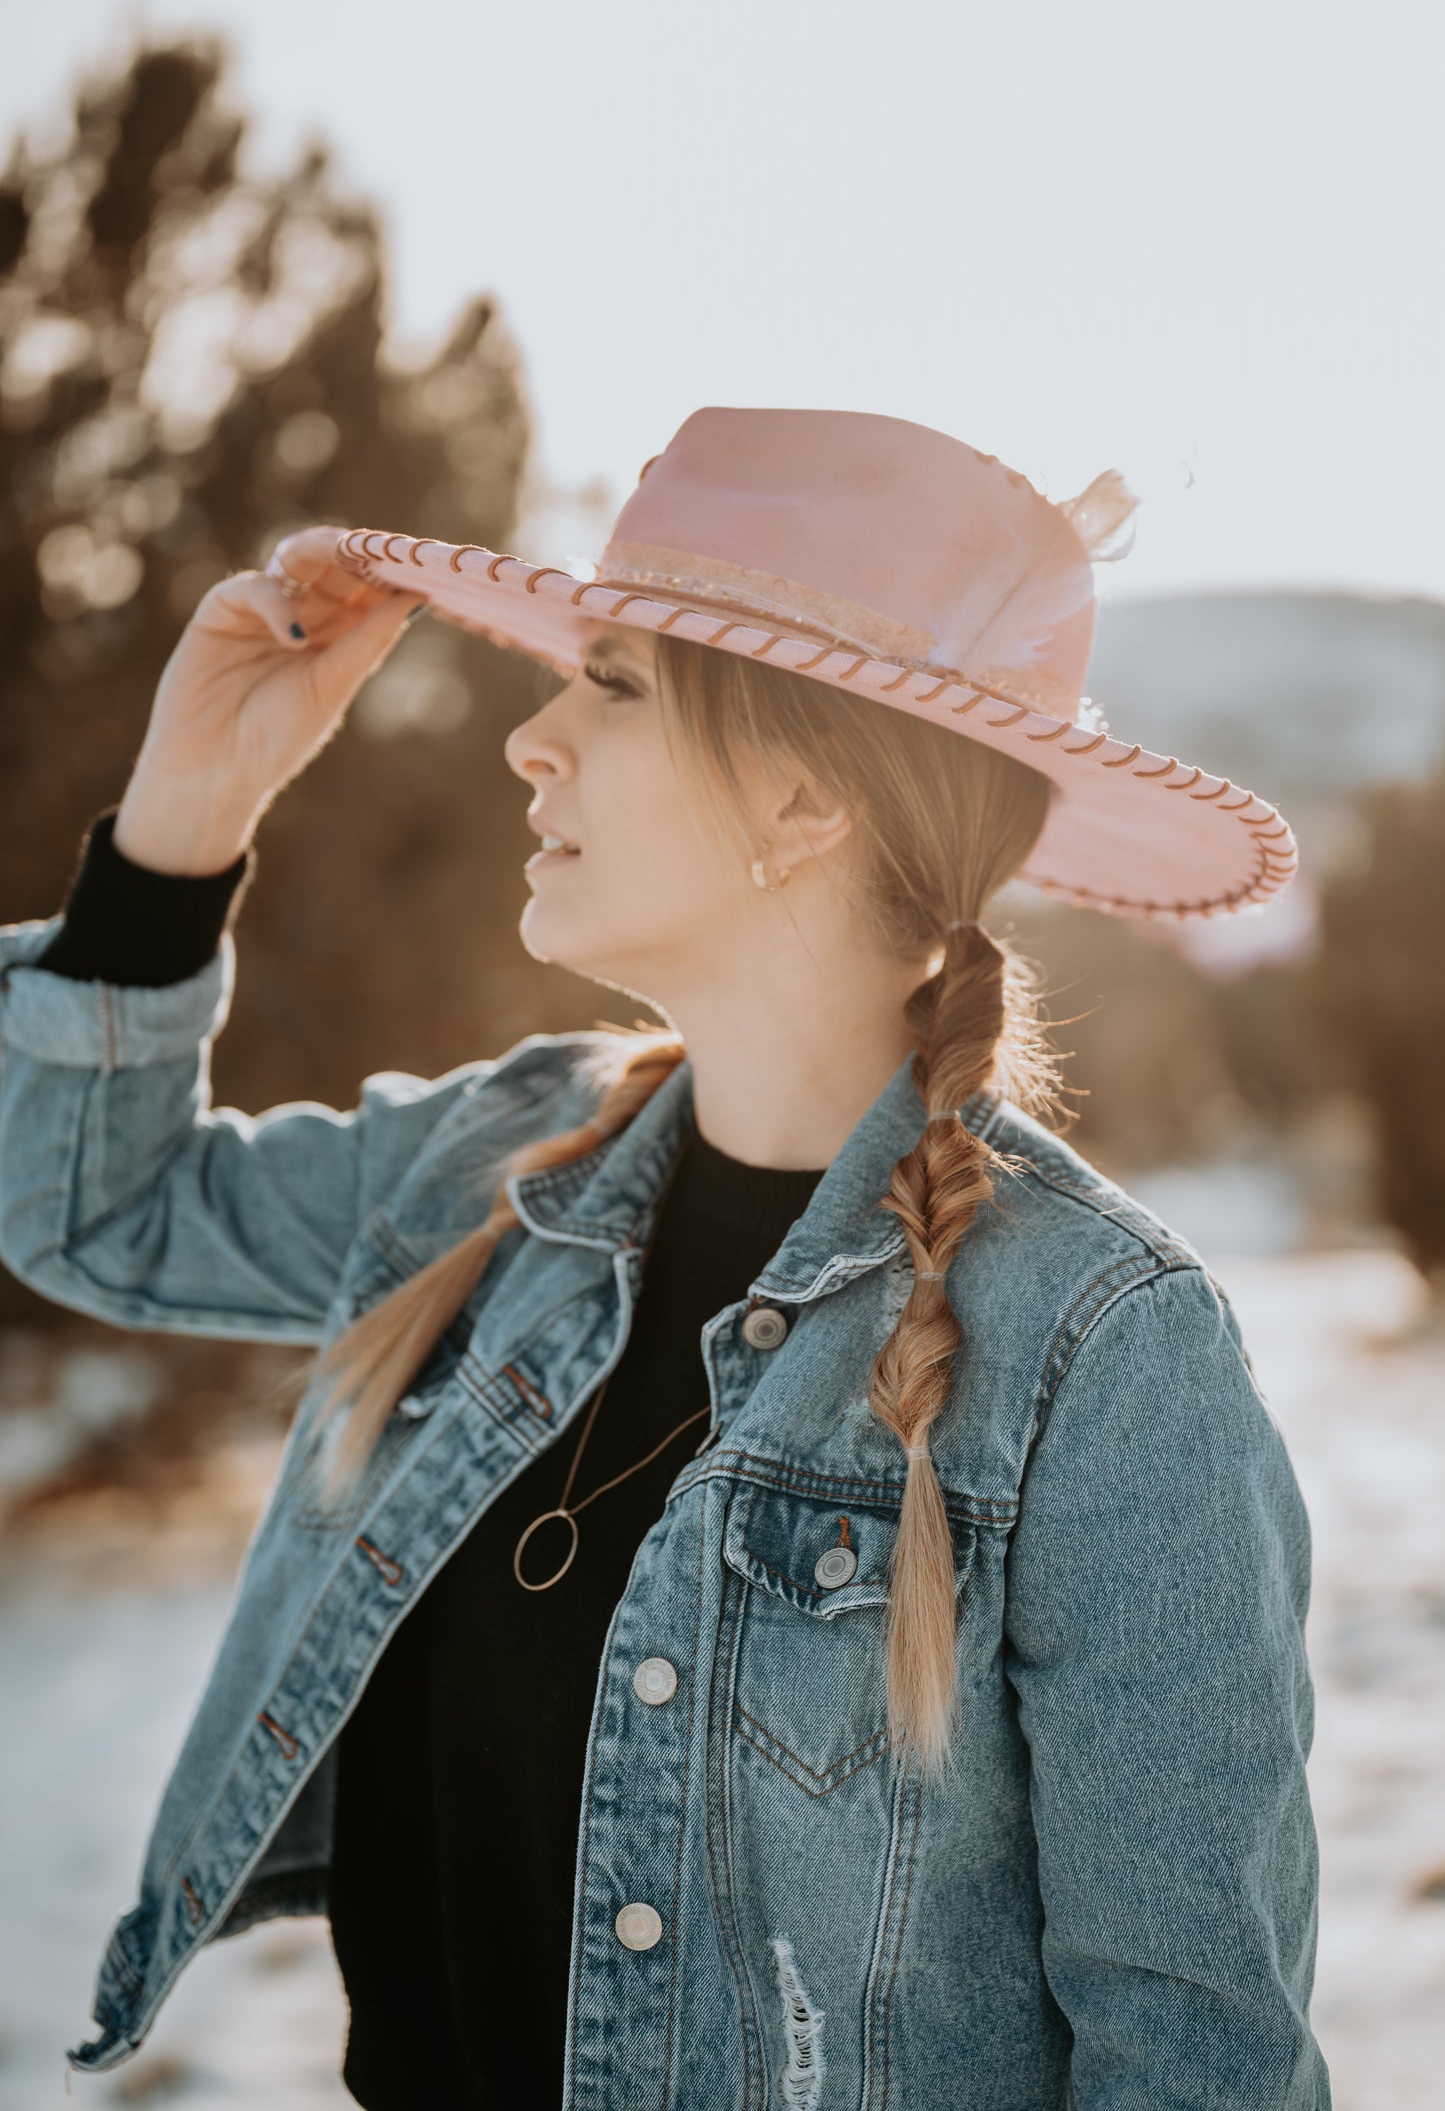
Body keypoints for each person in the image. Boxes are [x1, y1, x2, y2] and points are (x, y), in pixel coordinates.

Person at [0, 407, 1329, 2108]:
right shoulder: (494, 1169)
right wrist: (183, 819)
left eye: (612, 683)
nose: (528, 742)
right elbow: (88, 1209)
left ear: (800, 797)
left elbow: (1195, 2062)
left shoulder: (1102, 1352)